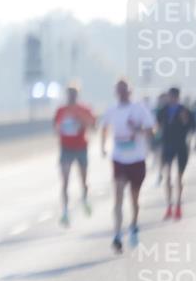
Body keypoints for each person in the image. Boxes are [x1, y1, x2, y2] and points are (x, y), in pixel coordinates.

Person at [100, 78, 156, 253]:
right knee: (117, 196)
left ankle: (133, 225)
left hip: (137, 159)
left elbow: (152, 130)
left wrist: (136, 130)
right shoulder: (112, 110)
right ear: (116, 92)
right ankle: (117, 235)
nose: (122, 93)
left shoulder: (139, 109)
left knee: (134, 198)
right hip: (119, 158)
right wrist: (102, 146)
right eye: (119, 90)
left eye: (124, 90)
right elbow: (104, 127)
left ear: (130, 91)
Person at [52, 83, 96, 226]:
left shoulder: (84, 109)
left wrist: (81, 121)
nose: (71, 96)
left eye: (74, 93)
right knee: (64, 181)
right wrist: (62, 127)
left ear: (78, 95)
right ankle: (65, 211)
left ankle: (84, 198)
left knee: (83, 179)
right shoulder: (61, 110)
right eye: (69, 93)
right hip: (66, 148)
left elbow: (93, 126)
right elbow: (55, 128)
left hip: (81, 147)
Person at [156, 86, 192, 221]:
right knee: (168, 177)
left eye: (174, 96)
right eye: (170, 96)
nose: (172, 98)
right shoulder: (163, 110)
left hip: (181, 146)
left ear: (178, 97)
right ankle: (169, 206)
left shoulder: (185, 110)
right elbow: (158, 125)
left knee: (179, 178)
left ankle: (178, 205)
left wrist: (184, 119)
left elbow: (190, 127)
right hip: (168, 146)